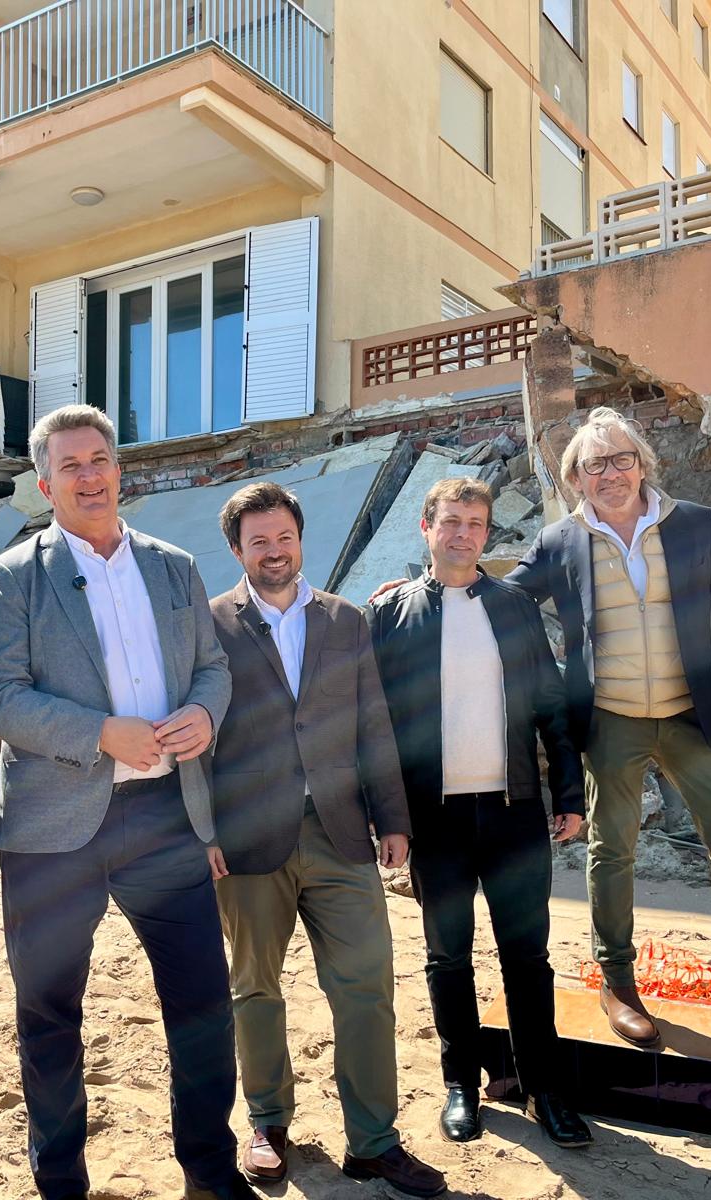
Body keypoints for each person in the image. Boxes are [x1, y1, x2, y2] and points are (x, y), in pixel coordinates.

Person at [0, 405, 248, 1200]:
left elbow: (212, 671)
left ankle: (209, 1168)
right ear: (44, 482)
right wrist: (101, 734)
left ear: (119, 468)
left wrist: (204, 712)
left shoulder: (173, 566)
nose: (89, 476)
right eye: (71, 465)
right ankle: (61, 1180)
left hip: (165, 816)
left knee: (201, 1003)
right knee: (51, 1015)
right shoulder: (15, 575)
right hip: (51, 830)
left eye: (100, 459)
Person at [508, 406, 711, 1046]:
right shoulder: (561, 542)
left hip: (691, 714)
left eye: (621, 459)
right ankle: (616, 979)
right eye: (594, 464)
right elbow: (507, 599)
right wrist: (432, 586)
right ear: (575, 478)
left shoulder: (694, 524)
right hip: (609, 718)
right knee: (613, 851)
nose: (610, 473)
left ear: (642, 463)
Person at [207, 482, 446, 1197]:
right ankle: (268, 1124)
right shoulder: (209, 623)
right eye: (259, 542)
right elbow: (198, 740)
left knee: (368, 988)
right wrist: (201, 834)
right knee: (255, 989)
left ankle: (373, 1141)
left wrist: (394, 818)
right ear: (237, 550)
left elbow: (374, 721)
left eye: (284, 538)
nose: (274, 552)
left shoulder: (345, 620)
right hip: (248, 842)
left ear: (300, 539)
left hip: (342, 833)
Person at [367, 477, 592, 1149]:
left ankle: (543, 1089)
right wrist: (388, 819)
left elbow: (551, 704)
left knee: (528, 959)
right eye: (451, 521)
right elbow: (372, 723)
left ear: (487, 534)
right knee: (448, 958)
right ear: (426, 529)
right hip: (434, 820)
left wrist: (571, 796)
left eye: (476, 523)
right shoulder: (391, 612)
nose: (464, 533)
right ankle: (462, 1084)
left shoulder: (515, 606)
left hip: (514, 813)